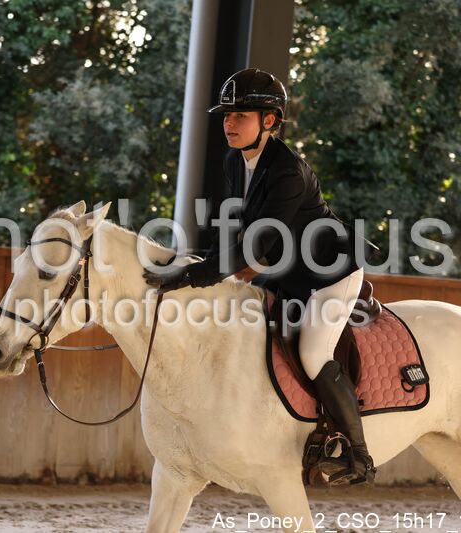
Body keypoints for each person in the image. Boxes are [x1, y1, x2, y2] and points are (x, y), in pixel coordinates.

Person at [143, 68, 376, 485]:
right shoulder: (235, 161)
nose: (229, 123)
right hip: (287, 270)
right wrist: (194, 264)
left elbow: (255, 246)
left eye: (241, 115)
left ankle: (358, 456)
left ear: (270, 120)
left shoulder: (288, 171)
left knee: (312, 353)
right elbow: (233, 231)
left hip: (330, 273)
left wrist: (191, 275)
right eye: (227, 115)